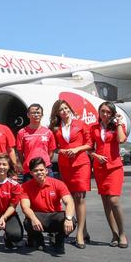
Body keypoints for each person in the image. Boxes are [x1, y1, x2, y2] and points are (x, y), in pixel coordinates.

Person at [49, 99, 92, 248]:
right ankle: (84, 231)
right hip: (65, 164)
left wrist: (76, 149)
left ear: (70, 109)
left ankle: (79, 234)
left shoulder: (81, 124)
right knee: (71, 198)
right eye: (61, 109)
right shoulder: (55, 128)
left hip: (81, 163)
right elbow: (53, 147)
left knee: (80, 197)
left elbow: (89, 143)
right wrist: (62, 151)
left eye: (66, 108)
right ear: (57, 113)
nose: (64, 111)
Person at [89, 101, 128, 248]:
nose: (105, 114)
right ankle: (114, 234)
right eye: (102, 111)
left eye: (108, 112)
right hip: (100, 168)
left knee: (114, 201)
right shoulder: (93, 128)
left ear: (112, 114)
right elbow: (89, 148)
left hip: (114, 167)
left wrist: (118, 123)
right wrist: (95, 155)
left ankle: (122, 233)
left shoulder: (118, 126)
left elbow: (121, 139)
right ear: (99, 112)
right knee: (105, 202)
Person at [20, 157, 76, 254]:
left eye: (41, 170)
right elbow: (25, 207)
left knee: (72, 221)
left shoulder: (58, 184)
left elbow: (69, 202)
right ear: (31, 173)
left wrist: (69, 219)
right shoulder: (25, 187)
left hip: (54, 216)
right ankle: (38, 239)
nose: (39, 172)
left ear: (46, 171)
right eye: (35, 170)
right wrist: (33, 219)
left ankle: (59, 239)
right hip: (38, 217)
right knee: (28, 222)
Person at [16, 103, 56, 179]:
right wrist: (26, 163)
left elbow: (51, 152)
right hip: (29, 169)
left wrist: (44, 162)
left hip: (45, 169)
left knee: (47, 190)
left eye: (38, 113)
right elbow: (20, 152)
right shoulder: (21, 132)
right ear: (28, 115)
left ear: (42, 115)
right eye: (33, 113)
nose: (36, 115)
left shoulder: (48, 132)